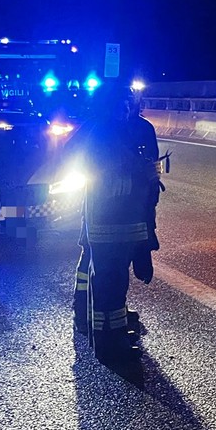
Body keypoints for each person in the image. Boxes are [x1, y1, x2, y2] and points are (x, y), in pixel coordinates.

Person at [65, 81, 161, 366]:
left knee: (107, 278)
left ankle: (101, 328)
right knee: (107, 278)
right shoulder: (106, 131)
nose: (125, 107)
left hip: (115, 219)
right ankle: (105, 337)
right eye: (121, 102)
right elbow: (147, 182)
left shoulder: (126, 130)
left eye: (127, 102)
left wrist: (147, 237)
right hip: (108, 218)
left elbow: (150, 183)